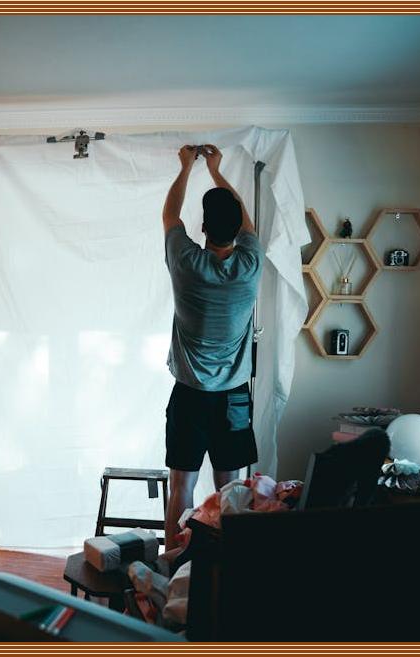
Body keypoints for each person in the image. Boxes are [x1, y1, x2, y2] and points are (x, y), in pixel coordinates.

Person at [161, 144, 263, 549]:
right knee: (230, 492)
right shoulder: (251, 264)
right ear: (237, 230)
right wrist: (218, 171)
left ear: (202, 227)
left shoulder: (186, 262)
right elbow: (245, 223)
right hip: (233, 398)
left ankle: (173, 562)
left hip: (190, 395)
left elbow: (170, 216)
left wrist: (186, 167)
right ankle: (227, 568)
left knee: (181, 488)